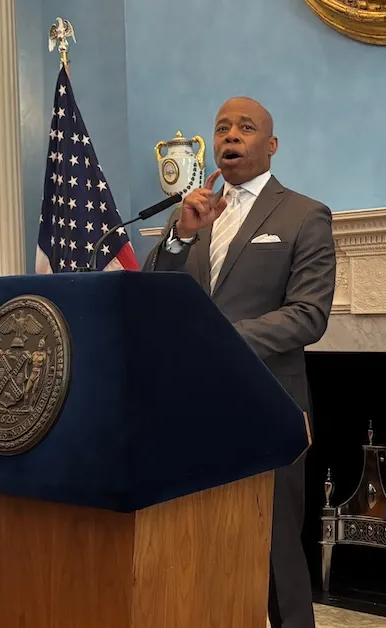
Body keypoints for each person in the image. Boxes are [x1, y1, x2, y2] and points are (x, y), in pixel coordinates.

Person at [145, 96, 335, 628]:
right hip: (194, 406)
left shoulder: (304, 214)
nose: (231, 135)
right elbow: (155, 293)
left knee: (276, 549)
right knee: (199, 542)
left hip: (267, 404)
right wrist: (182, 234)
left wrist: (217, 340)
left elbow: (308, 315)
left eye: (245, 128)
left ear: (271, 145)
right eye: (222, 127)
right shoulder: (195, 212)